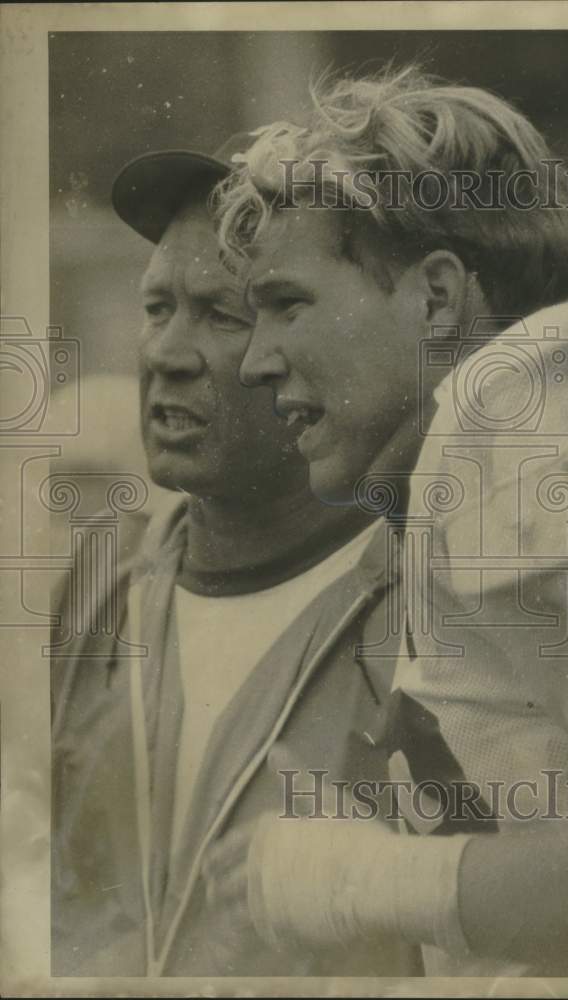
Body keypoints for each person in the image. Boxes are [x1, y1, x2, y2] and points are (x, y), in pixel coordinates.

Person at [210, 66, 568, 976]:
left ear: (435, 296)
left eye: (287, 304)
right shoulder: (455, 460)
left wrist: (358, 882)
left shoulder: (525, 399)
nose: (255, 362)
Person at [50, 138, 419, 978]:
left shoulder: (425, 597)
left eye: (224, 316)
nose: (166, 354)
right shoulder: (105, 581)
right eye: (156, 309)